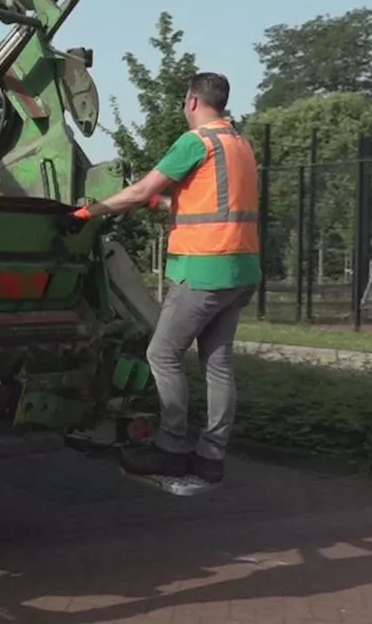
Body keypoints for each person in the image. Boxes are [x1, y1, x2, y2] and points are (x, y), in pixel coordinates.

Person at [70, 72, 260, 484]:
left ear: (192, 101)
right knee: (219, 363)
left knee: (162, 354)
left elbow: (137, 191)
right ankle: (211, 456)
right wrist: (163, 203)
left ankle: (171, 446)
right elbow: (213, 203)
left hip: (203, 268)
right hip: (241, 270)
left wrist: (90, 211)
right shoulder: (239, 144)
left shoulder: (196, 143)